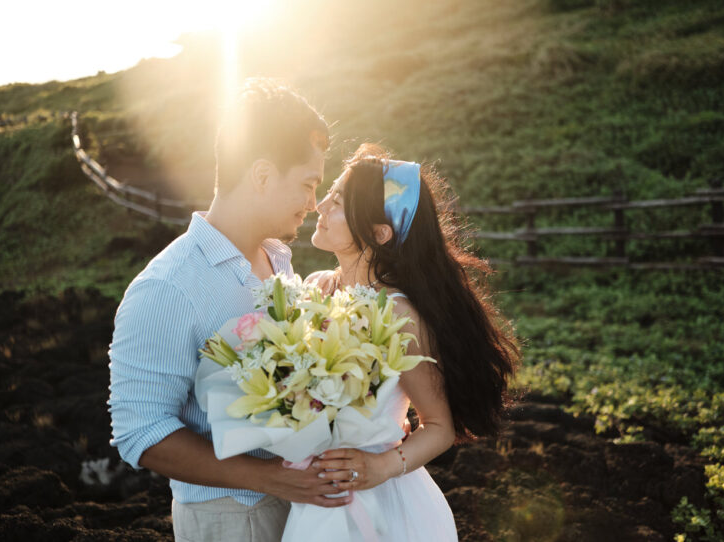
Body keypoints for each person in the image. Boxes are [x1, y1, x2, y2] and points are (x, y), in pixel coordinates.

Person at [107, 78, 352, 542]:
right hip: (232, 519)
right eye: (307, 184)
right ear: (261, 175)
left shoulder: (280, 260)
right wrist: (267, 478)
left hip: (303, 508)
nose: (313, 203)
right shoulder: (167, 286)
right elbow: (140, 431)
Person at [300, 143, 520, 541]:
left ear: (379, 233)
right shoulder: (315, 287)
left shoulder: (398, 314)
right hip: (311, 493)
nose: (321, 207)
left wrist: (381, 466)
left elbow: (439, 425)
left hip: (384, 504)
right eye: (329, 195)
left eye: (337, 203)